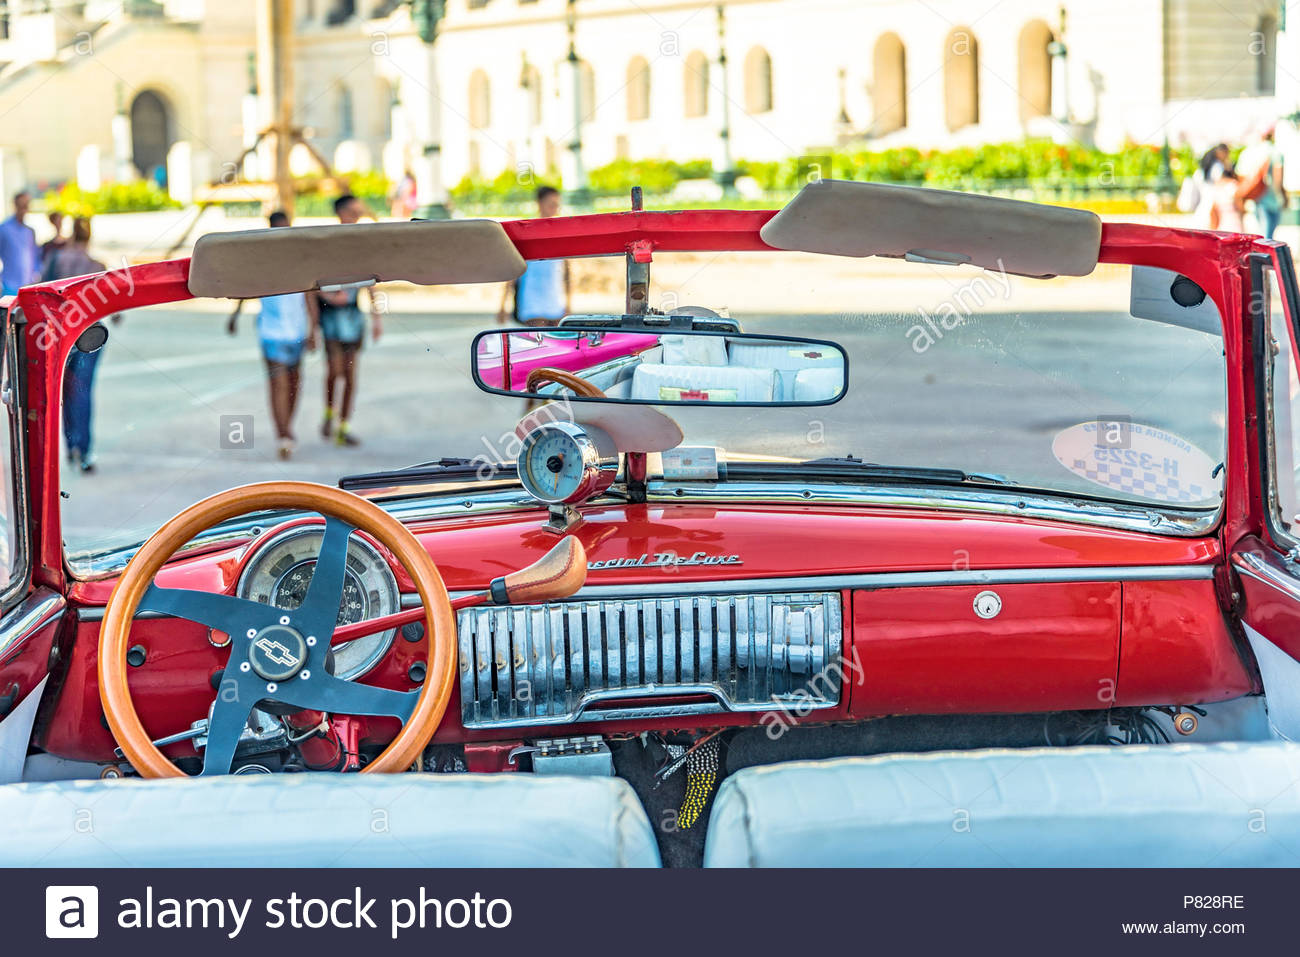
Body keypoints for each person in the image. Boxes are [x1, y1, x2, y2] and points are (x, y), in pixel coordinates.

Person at [229, 211, 316, 460]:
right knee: (278, 383)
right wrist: (235, 316)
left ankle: (287, 426)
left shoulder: (301, 260)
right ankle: (283, 434)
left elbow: (310, 295)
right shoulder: (261, 262)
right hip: (271, 331)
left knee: (295, 382)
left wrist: (313, 330)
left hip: (297, 331)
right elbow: (247, 290)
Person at [48, 218, 112, 472]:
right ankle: (83, 451)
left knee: (64, 391)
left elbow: (42, 289)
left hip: (60, 333)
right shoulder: (97, 265)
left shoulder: (57, 260)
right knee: (83, 392)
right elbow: (112, 305)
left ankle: (70, 445)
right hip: (90, 335)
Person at [318, 194, 382, 447]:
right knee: (335, 371)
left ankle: (343, 426)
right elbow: (314, 280)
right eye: (355, 211)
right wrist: (330, 297)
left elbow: (371, 283)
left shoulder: (362, 243)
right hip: (332, 315)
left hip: (354, 316)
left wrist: (377, 318)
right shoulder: (329, 242)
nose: (359, 214)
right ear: (342, 212)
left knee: (351, 374)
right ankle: (329, 413)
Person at [497, 185, 571, 326]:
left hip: (555, 303)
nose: (555, 209)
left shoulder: (561, 235)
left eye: (557, 205)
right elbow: (513, 272)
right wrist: (503, 305)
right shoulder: (526, 235)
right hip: (531, 304)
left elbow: (566, 273)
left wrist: (568, 304)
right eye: (551, 205)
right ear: (539, 204)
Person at [1237, 124, 1288, 239]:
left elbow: (1241, 176)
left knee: (1261, 233)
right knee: (1267, 237)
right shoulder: (1274, 152)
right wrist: (1282, 197)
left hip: (1256, 198)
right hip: (1271, 199)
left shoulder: (1249, 152)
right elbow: (1278, 178)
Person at [1179, 144, 1230, 229]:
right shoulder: (1217, 165)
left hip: (1204, 200)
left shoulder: (1203, 168)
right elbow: (1220, 181)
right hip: (1213, 198)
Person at [0, 191, 39, 296]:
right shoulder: (4, 229)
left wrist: (36, 275)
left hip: (28, 288)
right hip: (9, 287)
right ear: (15, 205)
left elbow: (35, 256)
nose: (24, 208)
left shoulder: (29, 231)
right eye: (21, 205)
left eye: (26, 205)